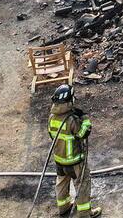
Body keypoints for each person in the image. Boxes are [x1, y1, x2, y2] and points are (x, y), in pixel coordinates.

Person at [47, 84, 100, 216]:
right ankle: (84, 214)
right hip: (74, 161)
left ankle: (63, 207)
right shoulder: (71, 120)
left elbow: (51, 135)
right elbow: (82, 134)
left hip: (59, 160)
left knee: (62, 184)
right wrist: (86, 121)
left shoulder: (51, 117)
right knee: (82, 185)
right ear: (70, 100)